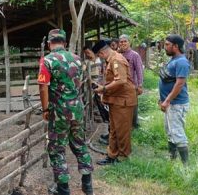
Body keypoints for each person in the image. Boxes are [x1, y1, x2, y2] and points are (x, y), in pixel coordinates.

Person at [38, 29, 93, 195]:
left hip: (59, 111)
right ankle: (87, 184)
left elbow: (42, 86)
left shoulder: (46, 61)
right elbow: (78, 82)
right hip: (77, 108)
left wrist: (46, 108)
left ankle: (63, 189)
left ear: (49, 43)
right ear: (64, 42)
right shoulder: (77, 59)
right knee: (79, 143)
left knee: (56, 148)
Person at [91, 40, 137, 165]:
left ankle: (123, 157)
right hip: (116, 100)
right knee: (114, 129)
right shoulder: (111, 60)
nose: (99, 58)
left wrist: (104, 89)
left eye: (99, 56)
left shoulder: (116, 60)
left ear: (101, 52)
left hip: (123, 101)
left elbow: (121, 80)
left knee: (122, 130)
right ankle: (112, 155)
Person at [158, 34, 190, 164]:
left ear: (175, 46)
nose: (164, 47)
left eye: (167, 45)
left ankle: (185, 166)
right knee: (170, 132)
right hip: (170, 103)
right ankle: (172, 158)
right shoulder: (173, 59)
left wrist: (167, 100)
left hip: (176, 104)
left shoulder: (181, 62)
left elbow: (179, 84)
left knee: (177, 133)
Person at [118, 34, 144, 128]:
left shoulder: (134, 55)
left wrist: (140, 85)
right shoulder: (118, 55)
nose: (123, 43)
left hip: (132, 86)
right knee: (123, 105)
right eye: (121, 42)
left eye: (125, 41)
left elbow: (139, 70)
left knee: (133, 105)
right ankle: (125, 124)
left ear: (129, 43)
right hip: (120, 85)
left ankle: (134, 124)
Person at [83, 45, 109, 124]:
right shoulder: (86, 62)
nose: (87, 54)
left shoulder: (100, 60)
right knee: (91, 100)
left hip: (101, 82)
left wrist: (103, 82)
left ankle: (105, 117)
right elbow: (83, 71)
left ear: (92, 51)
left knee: (102, 100)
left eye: (88, 52)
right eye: (85, 53)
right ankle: (97, 117)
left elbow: (104, 72)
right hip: (91, 83)